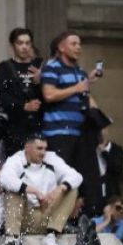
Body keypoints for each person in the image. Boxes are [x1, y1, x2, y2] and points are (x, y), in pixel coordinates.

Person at [0, 135, 82, 245]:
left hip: (46, 214)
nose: (43, 152)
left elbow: (76, 176)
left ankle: (51, 235)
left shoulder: (51, 157)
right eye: (39, 148)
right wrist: (33, 191)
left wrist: (60, 188)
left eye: (45, 148)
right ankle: (12, 239)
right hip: (26, 217)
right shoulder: (16, 159)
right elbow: (4, 178)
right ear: (27, 147)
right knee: (13, 191)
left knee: (71, 189)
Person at [40, 30, 96, 165]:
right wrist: (77, 88)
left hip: (80, 132)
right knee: (60, 176)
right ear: (61, 47)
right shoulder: (52, 68)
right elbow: (49, 95)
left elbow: (85, 95)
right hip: (58, 133)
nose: (78, 47)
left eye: (79, 44)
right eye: (73, 44)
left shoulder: (80, 71)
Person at [0, 28, 43, 156]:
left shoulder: (39, 66)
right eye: (20, 43)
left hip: (37, 126)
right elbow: (1, 96)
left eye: (27, 43)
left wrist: (40, 82)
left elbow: (48, 96)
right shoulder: (5, 67)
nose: (24, 47)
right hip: (14, 127)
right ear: (12, 45)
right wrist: (24, 106)